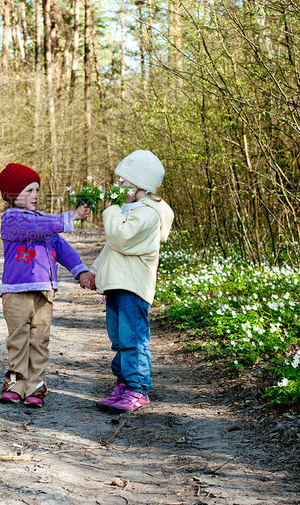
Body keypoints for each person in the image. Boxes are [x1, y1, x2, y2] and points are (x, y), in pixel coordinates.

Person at [0, 163, 95, 408]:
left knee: (39, 340)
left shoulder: (45, 221)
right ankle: (14, 383)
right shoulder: (11, 219)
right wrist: (68, 217)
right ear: (11, 195)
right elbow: (34, 227)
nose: (35, 195)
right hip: (16, 291)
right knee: (18, 339)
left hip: (45, 291)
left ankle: (35, 386)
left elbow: (63, 249)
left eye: (37, 190)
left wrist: (80, 270)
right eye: (28, 191)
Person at [90, 150, 174, 413]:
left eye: (123, 182)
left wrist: (111, 209)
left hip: (133, 287)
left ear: (140, 185)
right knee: (118, 338)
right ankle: (123, 385)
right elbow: (111, 248)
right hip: (118, 285)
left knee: (133, 338)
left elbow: (120, 239)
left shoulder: (148, 214)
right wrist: (96, 271)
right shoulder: (131, 210)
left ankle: (137, 389)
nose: (118, 187)